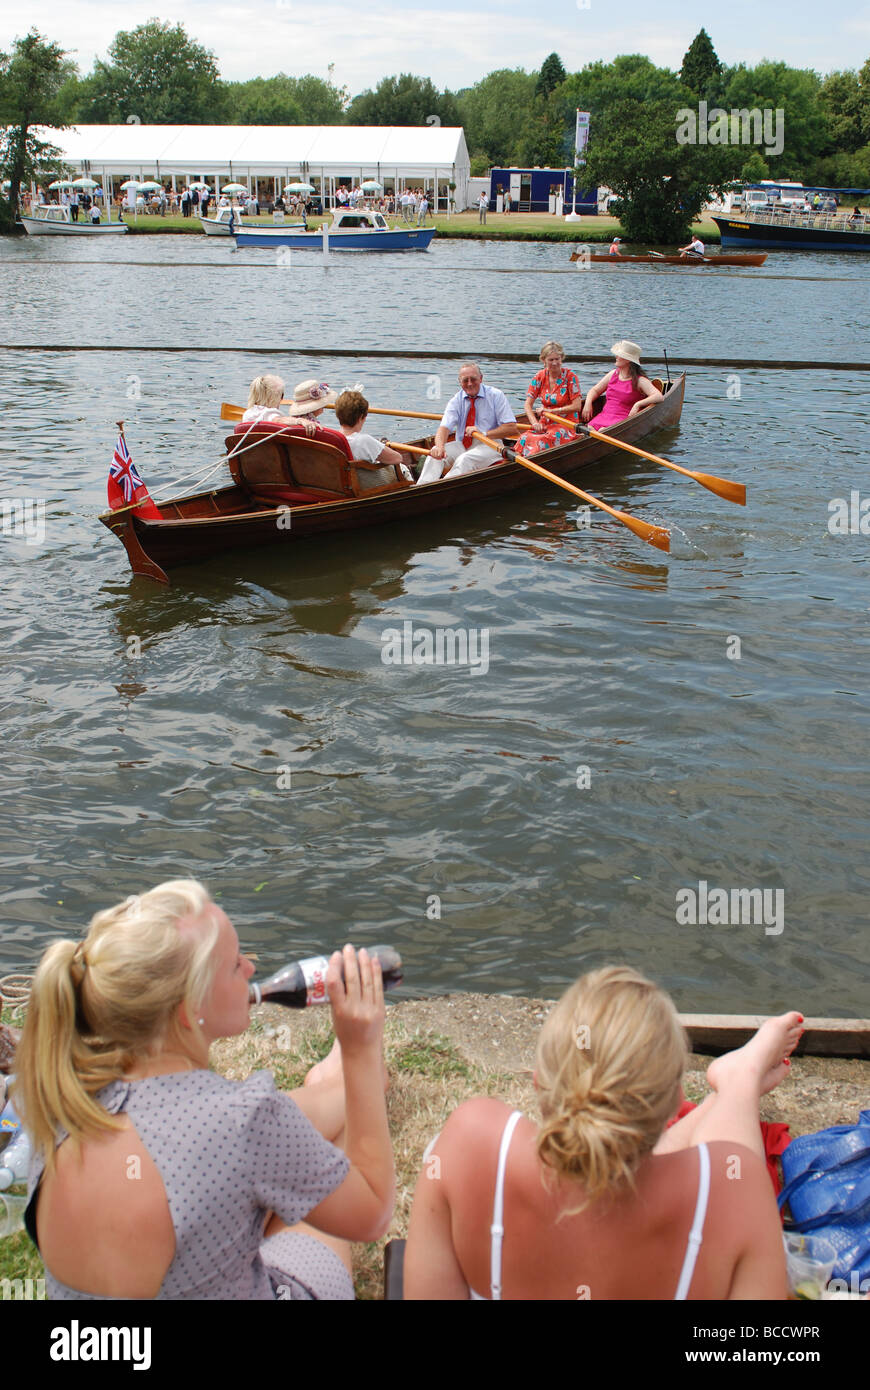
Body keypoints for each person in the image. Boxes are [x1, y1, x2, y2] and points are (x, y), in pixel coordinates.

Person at [14, 880, 394, 1300]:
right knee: (324, 1160)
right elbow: (373, 1213)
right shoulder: (241, 1122)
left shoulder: (60, 1102)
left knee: (280, 1144)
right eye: (234, 965)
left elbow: (196, 1146)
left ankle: (330, 1085)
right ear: (189, 1009)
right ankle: (343, 1080)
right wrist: (360, 1052)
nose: (251, 967)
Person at [405, 964, 798, 1300]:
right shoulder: (739, 1189)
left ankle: (736, 1081)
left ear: (540, 1083)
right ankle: (738, 1081)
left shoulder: (469, 1144)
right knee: (729, 1172)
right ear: (675, 1104)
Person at [415, 363, 517, 485]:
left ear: (481, 378)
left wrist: (483, 433)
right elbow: (444, 428)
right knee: (435, 454)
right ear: (460, 382)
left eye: (473, 379)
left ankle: (442, 490)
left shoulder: (496, 395)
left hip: (490, 445)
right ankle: (421, 487)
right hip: (463, 445)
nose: (469, 383)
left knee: (465, 459)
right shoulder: (456, 400)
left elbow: (512, 428)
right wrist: (440, 447)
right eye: (465, 380)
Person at [515, 342, 584, 458]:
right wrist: (534, 423)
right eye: (551, 360)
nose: (555, 363)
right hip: (545, 423)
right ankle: (519, 461)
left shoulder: (570, 377)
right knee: (523, 438)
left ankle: (529, 462)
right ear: (544, 360)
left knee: (541, 440)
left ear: (562, 358)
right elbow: (528, 404)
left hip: (567, 424)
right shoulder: (539, 377)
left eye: (557, 359)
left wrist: (553, 411)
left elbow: (577, 406)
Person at [335, 390, 413, 484]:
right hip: (366, 486)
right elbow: (397, 458)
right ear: (361, 417)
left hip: (344, 484)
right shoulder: (364, 441)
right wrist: (379, 446)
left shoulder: (333, 438)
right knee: (402, 467)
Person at [581, 341, 663, 430]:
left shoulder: (640, 380)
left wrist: (638, 404)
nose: (616, 357)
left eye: (619, 355)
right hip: (604, 416)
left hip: (623, 420)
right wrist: (588, 403)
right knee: (588, 429)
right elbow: (595, 390)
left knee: (602, 431)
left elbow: (659, 396)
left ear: (627, 359)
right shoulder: (612, 374)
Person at [241, 375, 317, 435]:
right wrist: (300, 421)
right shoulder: (269, 413)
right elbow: (278, 420)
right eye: (281, 395)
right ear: (274, 397)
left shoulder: (248, 413)